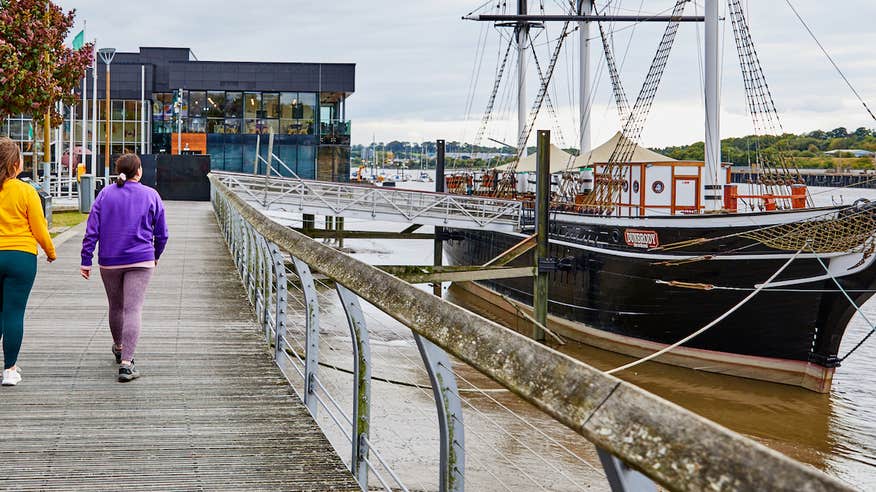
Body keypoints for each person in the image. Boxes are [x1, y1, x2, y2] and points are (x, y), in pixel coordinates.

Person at [80, 154, 168, 382]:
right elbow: (162, 233)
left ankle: (119, 347)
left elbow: (92, 230)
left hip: (109, 260)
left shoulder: (105, 194)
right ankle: (127, 364)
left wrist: (86, 259)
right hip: (141, 259)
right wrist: (155, 255)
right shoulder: (151, 195)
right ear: (138, 171)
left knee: (116, 306)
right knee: (133, 310)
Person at [0, 137, 56, 386]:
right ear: (14, 164)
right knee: (14, 312)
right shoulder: (26, 191)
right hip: (21, 257)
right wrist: (50, 252)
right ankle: (10, 370)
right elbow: (39, 227)